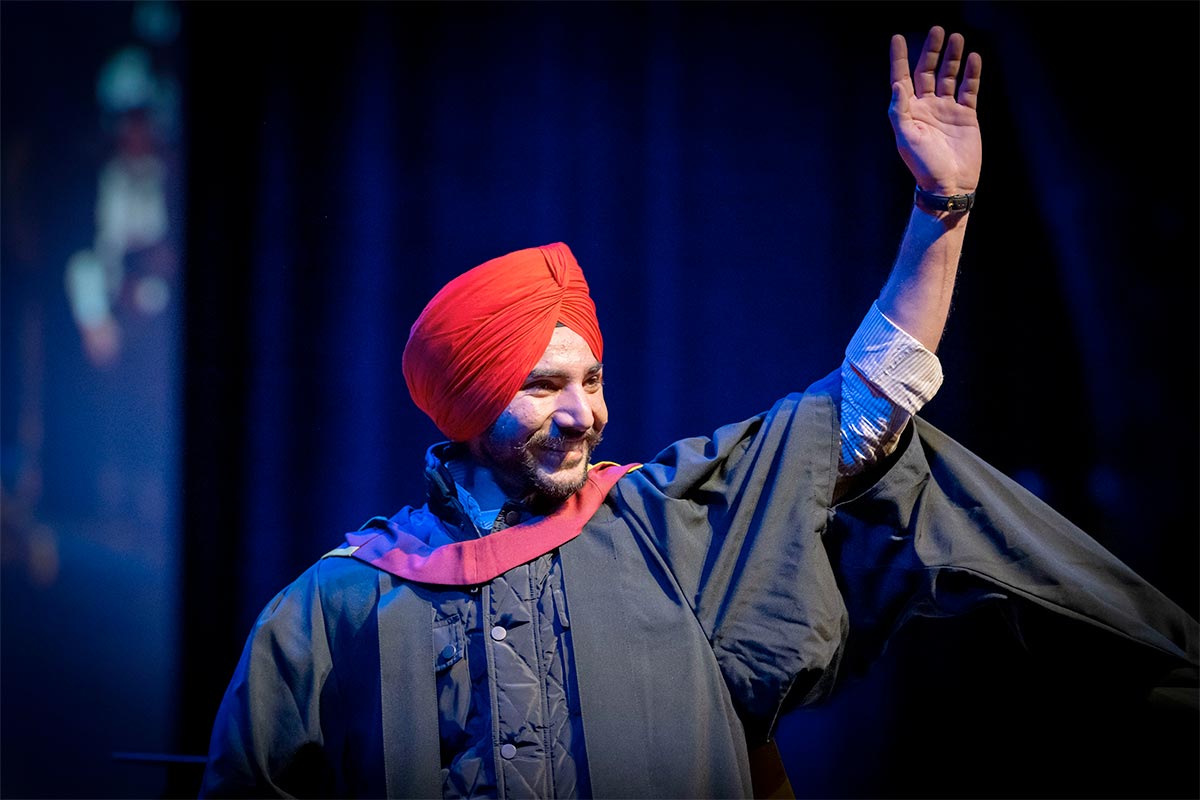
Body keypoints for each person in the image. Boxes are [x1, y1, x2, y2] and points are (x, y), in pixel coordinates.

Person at [198, 25, 1198, 799]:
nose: (580, 412)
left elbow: (865, 406)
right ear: (463, 401)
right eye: (543, 386)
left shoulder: (667, 522)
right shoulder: (330, 610)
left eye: (590, 380)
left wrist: (942, 213)